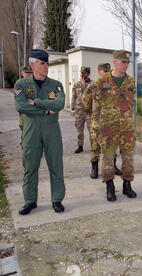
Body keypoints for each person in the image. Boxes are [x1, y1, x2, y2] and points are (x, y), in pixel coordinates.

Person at [14, 49, 66, 214]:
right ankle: (30, 201)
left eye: (47, 63)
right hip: (31, 131)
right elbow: (20, 106)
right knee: (30, 167)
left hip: (52, 131)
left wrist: (35, 103)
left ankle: (57, 200)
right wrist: (45, 109)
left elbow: (59, 104)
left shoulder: (56, 85)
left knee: (56, 166)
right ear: (32, 64)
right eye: (42, 63)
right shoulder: (21, 85)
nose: (46, 66)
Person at [93, 50, 137, 202]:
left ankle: (127, 184)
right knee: (108, 158)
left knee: (128, 157)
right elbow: (95, 106)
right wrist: (97, 126)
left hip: (127, 126)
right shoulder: (101, 82)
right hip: (108, 127)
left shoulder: (131, 81)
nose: (126, 65)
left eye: (127, 63)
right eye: (123, 62)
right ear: (115, 62)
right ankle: (110, 187)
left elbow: (132, 103)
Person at [82, 63, 113, 179]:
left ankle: (113, 166)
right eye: (105, 71)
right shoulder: (93, 86)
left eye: (108, 72)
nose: (107, 74)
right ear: (100, 72)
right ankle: (94, 168)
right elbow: (86, 103)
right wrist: (94, 114)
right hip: (97, 123)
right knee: (95, 147)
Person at [72, 66, 93, 153]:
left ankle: (93, 146)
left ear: (88, 74)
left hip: (89, 111)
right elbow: (74, 96)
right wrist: (73, 106)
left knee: (91, 130)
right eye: (81, 73)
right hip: (79, 111)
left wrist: (84, 84)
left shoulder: (92, 84)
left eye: (84, 73)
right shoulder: (76, 84)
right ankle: (80, 146)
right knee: (79, 130)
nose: (82, 74)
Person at [18, 66, 34, 132]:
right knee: (25, 129)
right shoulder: (19, 84)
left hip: (35, 112)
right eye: (27, 73)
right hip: (24, 112)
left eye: (30, 73)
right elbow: (20, 98)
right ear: (22, 73)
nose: (29, 74)